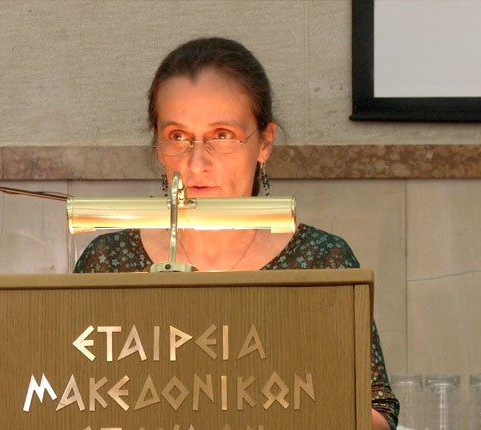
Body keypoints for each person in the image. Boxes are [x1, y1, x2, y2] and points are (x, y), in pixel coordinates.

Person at [74, 37, 399, 430]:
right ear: (158, 143)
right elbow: (71, 399)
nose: (197, 162)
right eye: (178, 136)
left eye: (222, 135)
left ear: (265, 142)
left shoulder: (320, 261)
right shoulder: (108, 262)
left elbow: (377, 412)